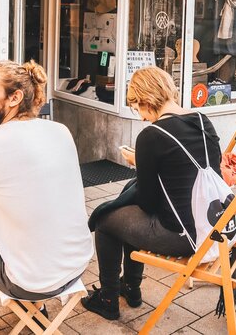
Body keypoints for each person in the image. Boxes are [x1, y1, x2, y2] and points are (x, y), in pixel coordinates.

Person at [0, 60, 93, 335]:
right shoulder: (60, 131)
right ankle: (38, 311)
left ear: (14, 98)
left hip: (33, 280)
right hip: (77, 264)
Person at [82, 66, 222, 320]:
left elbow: (147, 203)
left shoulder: (152, 135)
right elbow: (192, 168)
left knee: (107, 220)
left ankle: (108, 298)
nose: (142, 117)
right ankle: (130, 287)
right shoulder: (203, 121)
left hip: (183, 235)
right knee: (125, 214)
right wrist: (145, 162)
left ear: (147, 101)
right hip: (211, 227)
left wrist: (140, 163)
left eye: (138, 109)